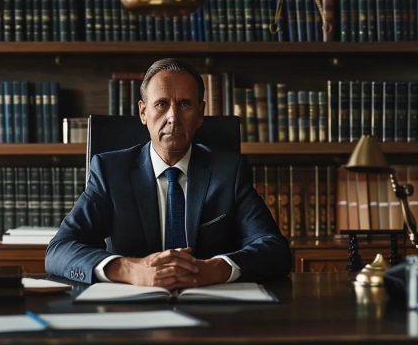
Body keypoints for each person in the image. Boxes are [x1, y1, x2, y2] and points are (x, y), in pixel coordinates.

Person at [46, 58, 291, 289]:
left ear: (200, 114)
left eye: (184, 104)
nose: (173, 117)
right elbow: (59, 250)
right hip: (130, 308)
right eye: (162, 104)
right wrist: (131, 270)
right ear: (143, 112)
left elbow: (275, 251)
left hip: (211, 309)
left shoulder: (228, 172)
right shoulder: (110, 172)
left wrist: (213, 269)